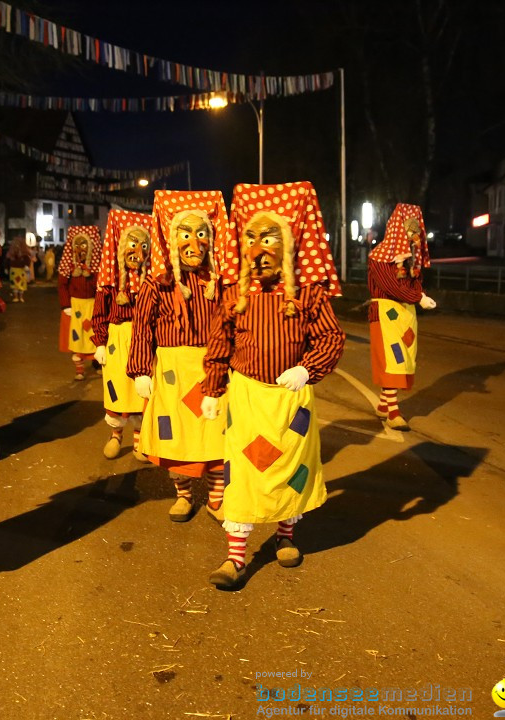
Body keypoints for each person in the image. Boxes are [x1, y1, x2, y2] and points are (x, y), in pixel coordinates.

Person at [201, 181, 346, 589]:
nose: (259, 249)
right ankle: (235, 558)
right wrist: (212, 388)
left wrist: (308, 368)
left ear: (288, 244)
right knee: (246, 473)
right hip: (246, 397)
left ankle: (285, 536)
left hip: (291, 400)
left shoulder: (308, 294)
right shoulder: (235, 293)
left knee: (288, 468)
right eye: (252, 238)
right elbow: (220, 341)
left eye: (269, 239)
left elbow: (331, 338)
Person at [128, 191, 232, 523]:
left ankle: (217, 496)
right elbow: (142, 327)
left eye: (201, 233)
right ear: (173, 239)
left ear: (210, 240)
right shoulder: (156, 284)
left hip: (211, 369)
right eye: (186, 233)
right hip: (172, 370)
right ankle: (183, 494)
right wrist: (141, 369)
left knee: (214, 434)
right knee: (176, 438)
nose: (193, 241)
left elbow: (233, 325)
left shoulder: (219, 283)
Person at [366, 203, 438, 430]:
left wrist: (419, 294)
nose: (412, 235)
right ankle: (393, 412)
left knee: (403, 358)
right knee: (393, 360)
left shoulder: (411, 260)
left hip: (405, 314)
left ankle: (383, 404)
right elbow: (391, 286)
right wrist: (418, 297)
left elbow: (415, 283)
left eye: (415, 230)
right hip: (386, 313)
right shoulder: (379, 257)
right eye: (408, 229)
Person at [92, 210, 155, 460]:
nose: (136, 251)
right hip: (117, 338)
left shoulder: (149, 281)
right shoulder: (110, 280)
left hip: (143, 339)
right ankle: (115, 435)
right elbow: (100, 309)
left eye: (142, 245)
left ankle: (140, 438)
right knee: (116, 387)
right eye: (132, 244)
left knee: (141, 390)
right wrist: (100, 341)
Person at [58, 226, 101, 380]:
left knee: (94, 333)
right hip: (75, 305)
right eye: (78, 245)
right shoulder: (68, 266)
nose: (81, 249)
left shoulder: (95, 266)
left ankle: (96, 363)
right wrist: (66, 305)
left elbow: (100, 285)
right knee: (77, 335)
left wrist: (100, 303)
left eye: (84, 245)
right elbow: (62, 285)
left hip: (91, 303)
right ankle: (79, 369)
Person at [5, 236, 34, 303]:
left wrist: (27, 265)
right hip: (14, 270)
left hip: (22, 270)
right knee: (14, 284)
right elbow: (7, 260)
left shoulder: (24, 253)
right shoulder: (11, 253)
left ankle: (20, 297)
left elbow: (27, 260)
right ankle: (16, 297)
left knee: (22, 283)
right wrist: (6, 267)